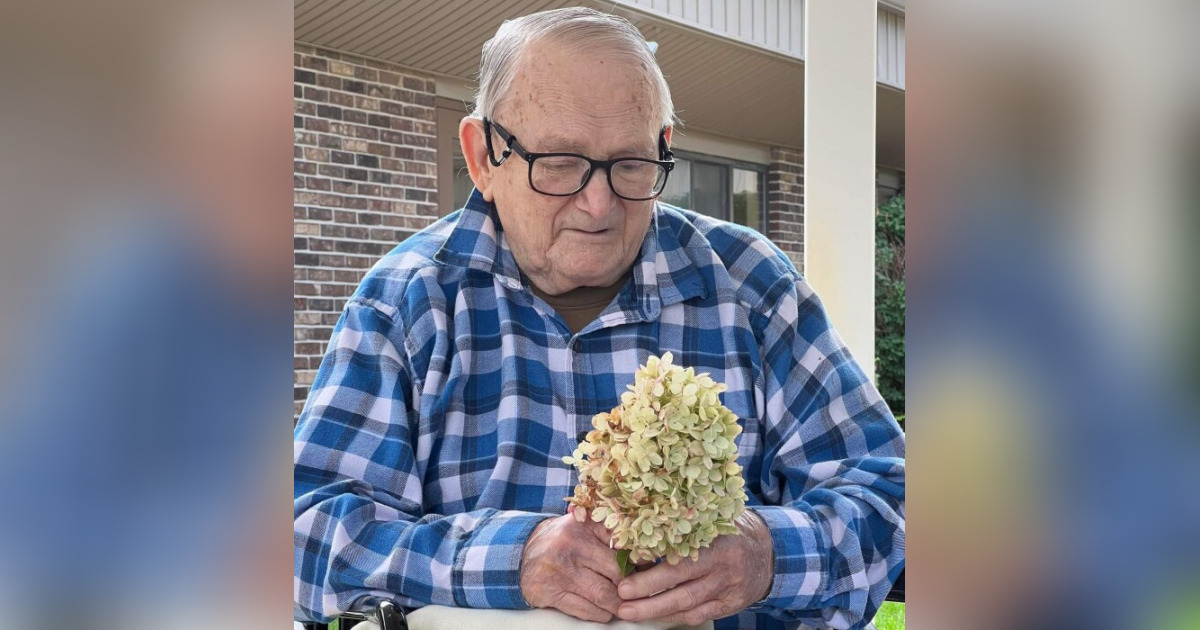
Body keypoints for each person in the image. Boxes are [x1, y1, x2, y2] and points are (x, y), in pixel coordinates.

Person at [294, 7, 904, 629]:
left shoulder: (750, 285)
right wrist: (513, 560)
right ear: (482, 157)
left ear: (664, 149)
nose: (598, 203)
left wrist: (766, 554)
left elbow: (891, 494)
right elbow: (303, 530)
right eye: (559, 162)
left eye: (631, 163)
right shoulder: (406, 300)